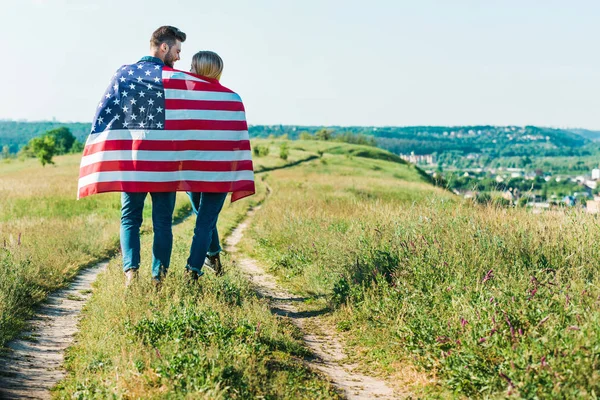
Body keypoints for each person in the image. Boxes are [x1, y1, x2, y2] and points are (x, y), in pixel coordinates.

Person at [122, 26, 187, 287]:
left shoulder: (124, 75)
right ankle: (158, 278)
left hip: (133, 160)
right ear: (164, 47)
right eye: (177, 50)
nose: (179, 57)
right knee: (162, 222)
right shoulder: (175, 79)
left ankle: (131, 277)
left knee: (130, 219)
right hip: (165, 162)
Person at [185, 51, 228, 280]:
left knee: (203, 222)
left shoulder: (185, 99)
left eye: (192, 67)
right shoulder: (233, 99)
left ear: (200, 69)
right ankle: (213, 254)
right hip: (216, 172)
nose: (189, 71)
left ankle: (192, 271)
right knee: (205, 218)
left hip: (196, 171)